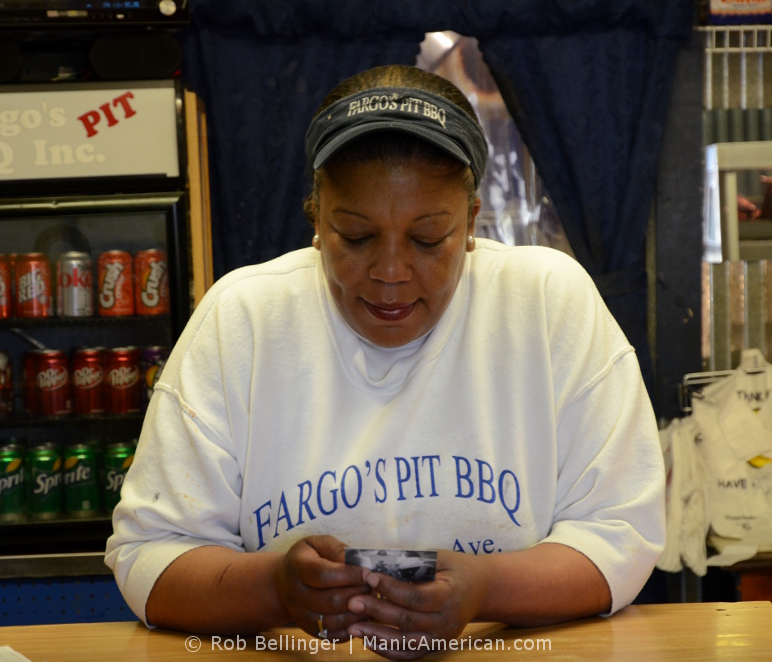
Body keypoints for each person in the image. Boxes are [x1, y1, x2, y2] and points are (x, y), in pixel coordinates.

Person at [105, 64, 664, 659]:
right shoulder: (242, 317)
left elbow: (621, 534)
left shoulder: (548, 302)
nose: (390, 272)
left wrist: (488, 588)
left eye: (428, 239)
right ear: (316, 216)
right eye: (354, 235)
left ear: (472, 220)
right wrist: (272, 589)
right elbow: (151, 556)